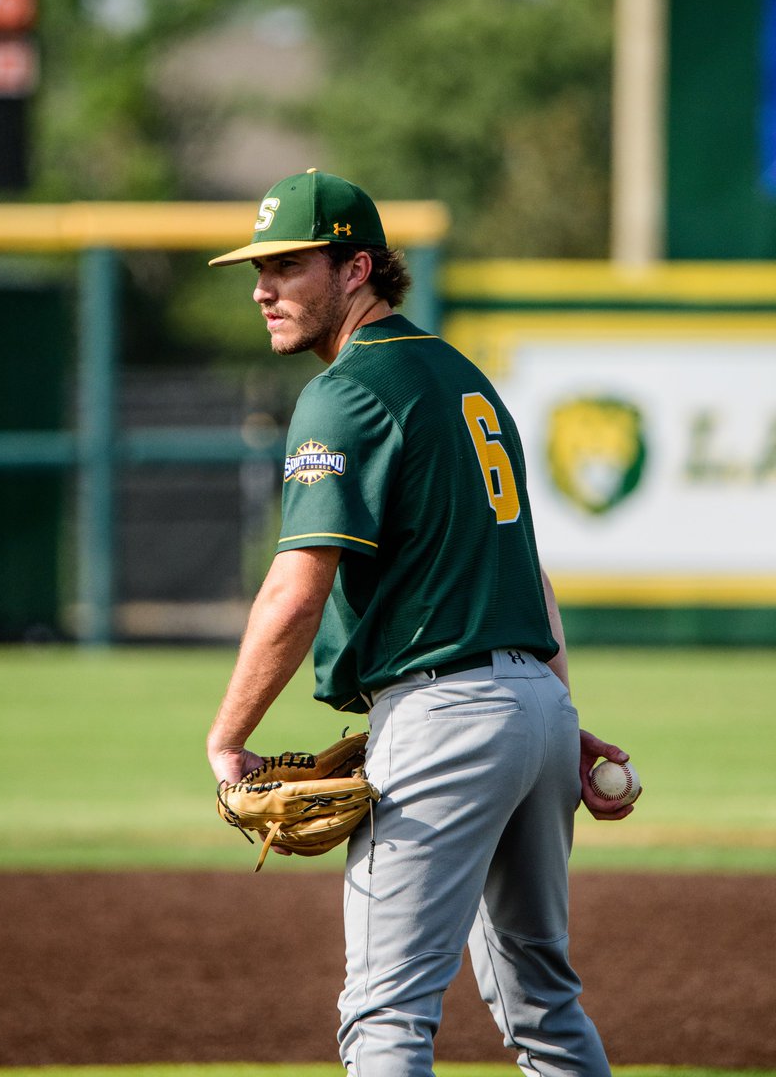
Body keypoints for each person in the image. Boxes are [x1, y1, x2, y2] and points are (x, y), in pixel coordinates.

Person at [206, 169, 637, 1077]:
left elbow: (296, 590)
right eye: (259, 269)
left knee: (385, 1014)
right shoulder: (461, 377)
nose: (262, 289)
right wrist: (556, 721)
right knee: (543, 1004)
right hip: (533, 708)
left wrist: (229, 736)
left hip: (443, 718)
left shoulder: (345, 392)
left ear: (355, 268)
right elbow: (527, 574)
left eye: (286, 266)